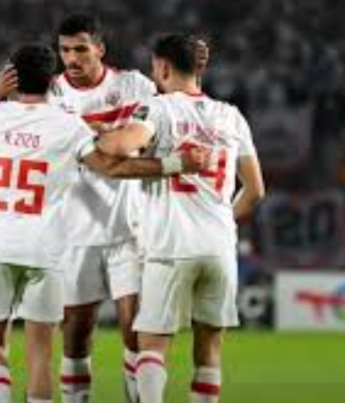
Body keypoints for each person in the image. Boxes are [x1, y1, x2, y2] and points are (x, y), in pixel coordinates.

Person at [0, 43, 208, 403]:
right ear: (52, 80)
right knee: (41, 355)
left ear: (11, 77)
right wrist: (176, 164)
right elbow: (113, 167)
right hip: (46, 252)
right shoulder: (68, 126)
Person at [0, 13, 157, 403]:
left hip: (129, 227)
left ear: (99, 49)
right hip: (72, 231)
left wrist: (104, 136)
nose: (71, 58)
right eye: (65, 50)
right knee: (76, 335)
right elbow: (14, 135)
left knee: (135, 330)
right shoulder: (48, 93)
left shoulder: (134, 85)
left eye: (80, 49)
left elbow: (150, 138)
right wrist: (1, 100)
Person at [98, 33, 265, 403]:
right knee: (209, 353)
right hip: (219, 248)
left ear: (162, 67)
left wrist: (98, 140)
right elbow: (255, 190)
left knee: (152, 346)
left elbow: (119, 146)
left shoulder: (158, 109)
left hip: (170, 246)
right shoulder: (231, 116)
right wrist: (222, 219)